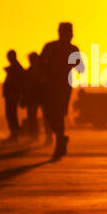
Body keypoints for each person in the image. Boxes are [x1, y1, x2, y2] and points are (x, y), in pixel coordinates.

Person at [38, 21, 83, 159]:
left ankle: (59, 142)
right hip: (51, 85)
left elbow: (80, 67)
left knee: (58, 114)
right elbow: (40, 63)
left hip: (63, 86)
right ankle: (61, 139)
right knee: (50, 115)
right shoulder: (50, 47)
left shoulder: (72, 49)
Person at [2, 50, 25, 142]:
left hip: (13, 95)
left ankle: (14, 135)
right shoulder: (15, 66)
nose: (8, 59)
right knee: (10, 114)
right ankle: (13, 134)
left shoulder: (16, 67)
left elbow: (17, 81)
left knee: (11, 114)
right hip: (11, 94)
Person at [22, 51, 44, 139]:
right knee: (32, 117)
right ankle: (34, 135)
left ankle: (38, 135)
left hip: (39, 97)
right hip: (33, 97)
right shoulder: (29, 72)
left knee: (37, 117)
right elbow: (24, 86)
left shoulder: (40, 72)